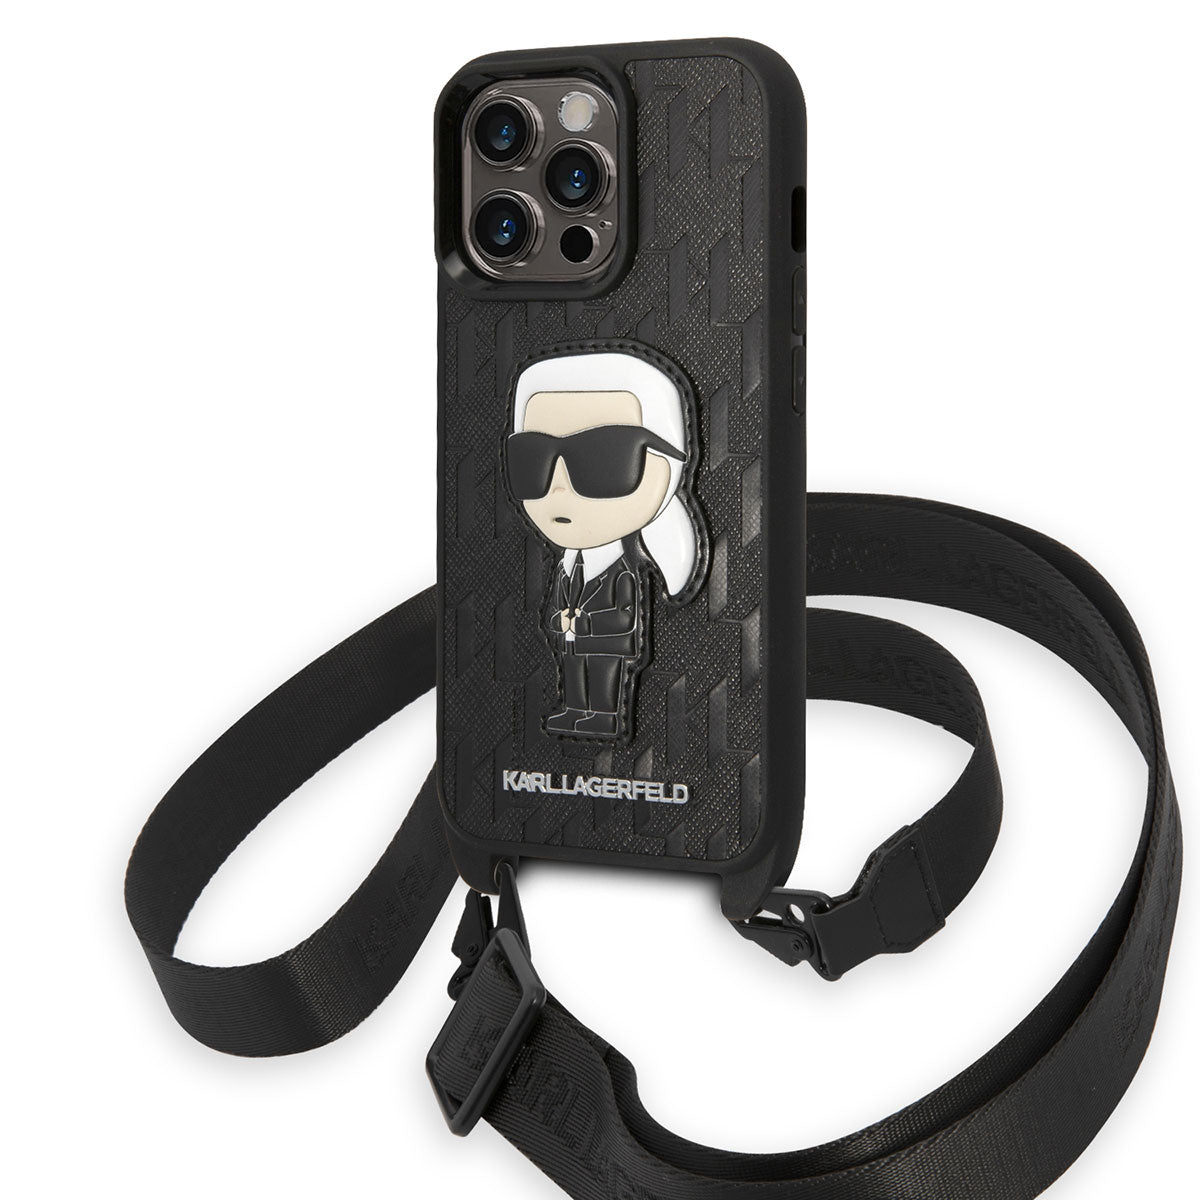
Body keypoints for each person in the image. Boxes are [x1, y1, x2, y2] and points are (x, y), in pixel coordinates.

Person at [504, 346, 702, 738]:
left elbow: (626, 615)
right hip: (572, 642)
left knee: (601, 680)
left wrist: (585, 622)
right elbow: (556, 605)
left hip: (606, 646)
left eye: (604, 459)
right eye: (532, 459)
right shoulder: (567, 566)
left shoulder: (620, 570)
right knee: (574, 677)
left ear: (668, 468)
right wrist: (559, 622)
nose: (559, 487)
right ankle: (575, 709)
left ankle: (603, 715)